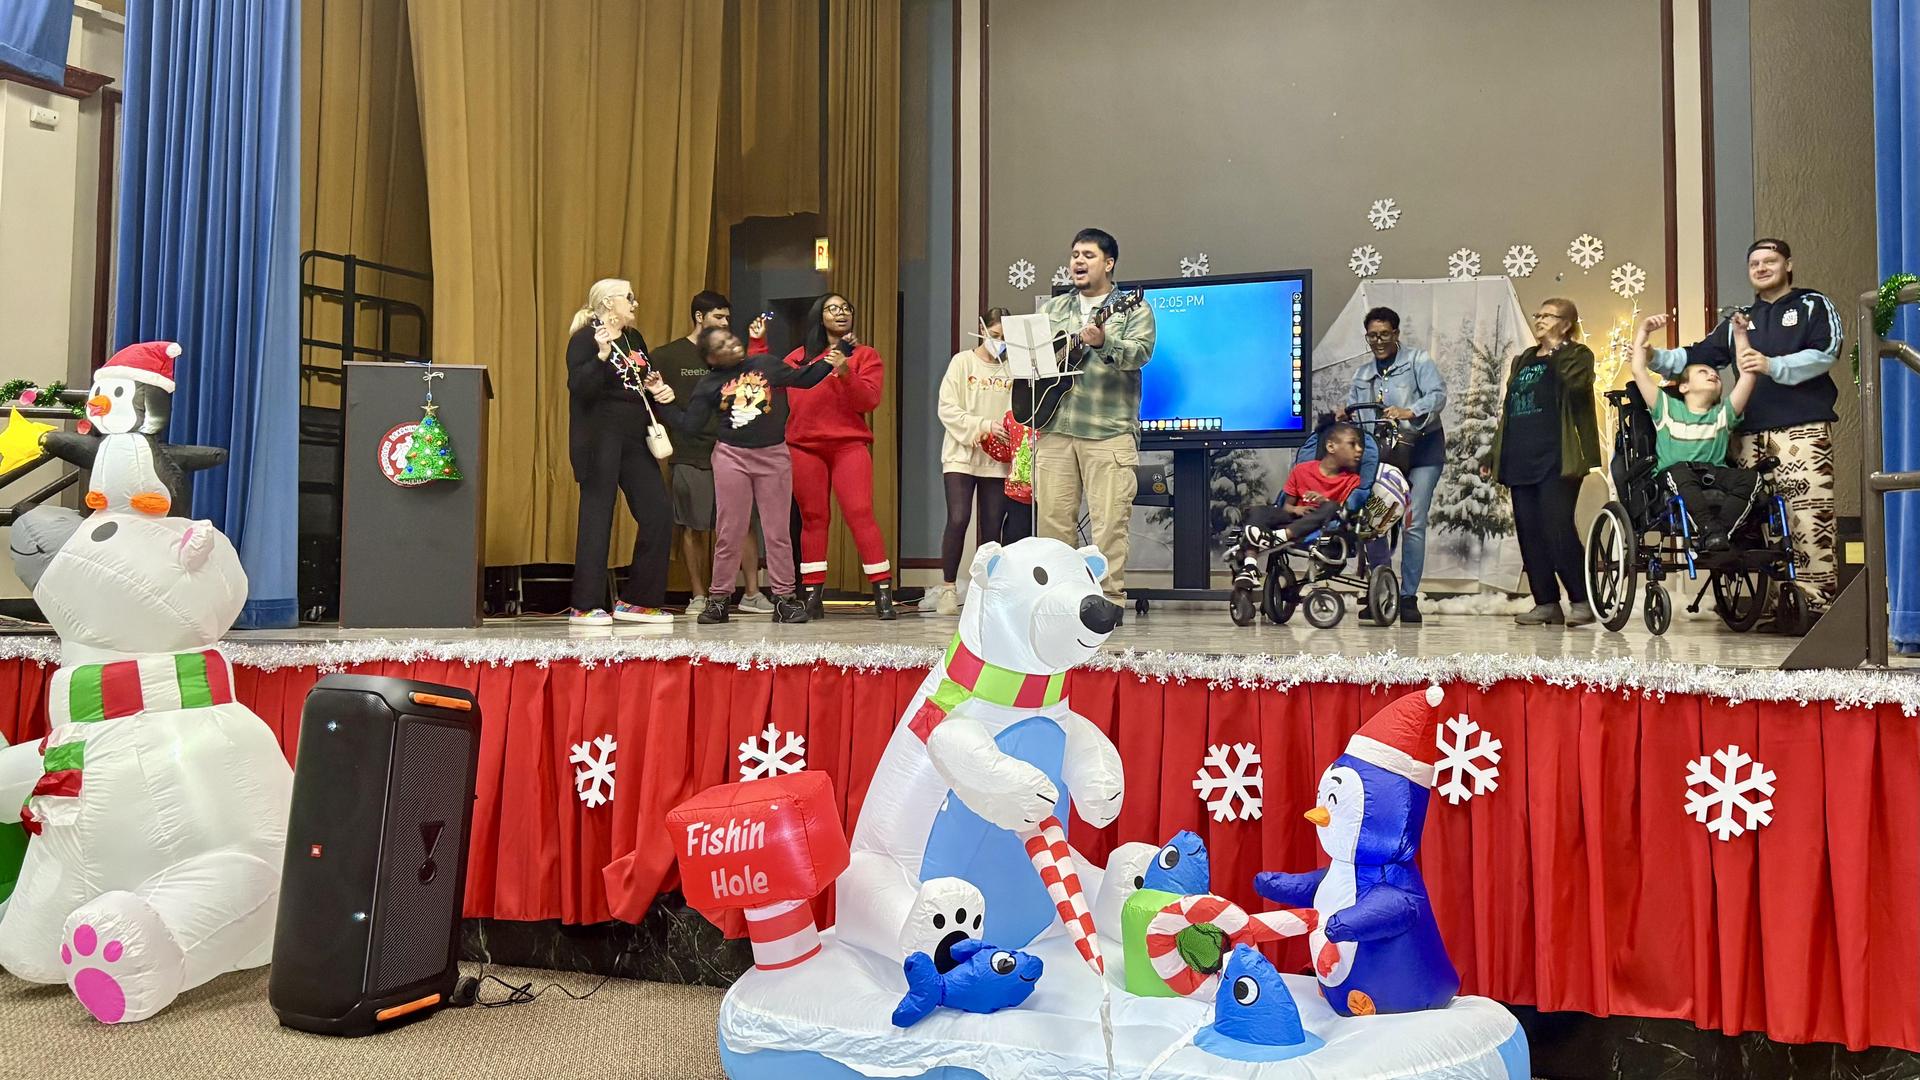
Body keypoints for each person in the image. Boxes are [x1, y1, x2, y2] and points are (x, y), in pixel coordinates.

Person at [1641, 238, 1842, 619]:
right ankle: (1765, 606)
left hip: (1803, 429)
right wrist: (1652, 356)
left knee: (1807, 519)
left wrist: (1772, 366)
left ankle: (1815, 608)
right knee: (1754, 520)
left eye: (1770, 260)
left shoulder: (1813, 304)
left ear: (1788, 264)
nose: (1762, 267)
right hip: (1748, 435)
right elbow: (1696, 355)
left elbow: (1826, 351)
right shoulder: (1739, 321)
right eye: (1755, 263)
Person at [656, 327, 838, 624]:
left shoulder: (764, 364)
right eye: (721, 345)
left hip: (773, 457)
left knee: (777, 531)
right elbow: (689, 424)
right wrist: (663, 402)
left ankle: (784, 598)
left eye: (730, 338)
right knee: (730, 531)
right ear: (710, 358)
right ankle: (718, 600)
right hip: (732, 457)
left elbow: (802, 379)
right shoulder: (710, 383)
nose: (731, 344)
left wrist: (831, 360)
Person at [1035, 228, 1157, 617]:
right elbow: (1035, 365)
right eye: (1074, 254)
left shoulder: (1133, 308)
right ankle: (1058, 604)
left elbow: (1139, 355)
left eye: (1088, 255)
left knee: (1109, 527)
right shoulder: (1052, 311)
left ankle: (1106, 605)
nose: (1078, 262)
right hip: (1055, 429)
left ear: (1109, 263)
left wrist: (1104, 343)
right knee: (1053, 525)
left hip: (1108, 431)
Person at [564, 278, 679, 626]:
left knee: (657, 511)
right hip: (600, 436)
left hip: (634, 434)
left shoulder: (635, 338)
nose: (634, 303)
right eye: (629, 298)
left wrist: (659, 389)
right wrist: (600, 355)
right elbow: (580, 388)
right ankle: (584, 605)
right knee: (598, 516)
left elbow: (640, 380)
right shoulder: (585, 338)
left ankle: (639, 601)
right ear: (608, 303)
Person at [651, 291, 771, 617]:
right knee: (695, 525)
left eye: (728, 318)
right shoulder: (667, 356)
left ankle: (751, 592)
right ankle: (699, 596)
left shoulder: (732, 356)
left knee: (743, 522)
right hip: (690, 453)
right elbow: (652, 398)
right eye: (719, 317)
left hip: (734, 450)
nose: (725, 323)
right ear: (700, 318)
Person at [783, 293, 895, 620]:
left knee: (860, 512)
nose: (841, 313)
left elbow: (868, 400)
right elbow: (787, 393)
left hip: (848, 445)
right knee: (814, 518)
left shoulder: (865, 356)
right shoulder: (798, 358)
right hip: (804, 446)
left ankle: (882, 592)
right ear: (820, 317)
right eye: (833, 309)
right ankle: (812, 595)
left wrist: (846, 369)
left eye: (846, 308)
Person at [1489, 297, 1600, 627]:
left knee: (1557, 529)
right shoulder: (1523, 359)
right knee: (1529, 532)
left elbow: (1576, 385)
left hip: (1558, 457)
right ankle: (1546, 602)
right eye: (1538, 315)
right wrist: (1495, 453)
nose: (1538, 320)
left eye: (1548, 316)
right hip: (1520, 457)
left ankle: (1581, 599)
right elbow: (1511, 409)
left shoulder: (1577, 355)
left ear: (1566, 324)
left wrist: (1557, 349)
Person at [1345, 306, 1447, 624]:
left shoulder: (1417, 361)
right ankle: (1382, 590)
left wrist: (1409, 410)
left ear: (1396, 334)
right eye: (1372, 335)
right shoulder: (1363, 375)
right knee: (1375, 521)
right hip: (1383, 455)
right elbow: (1355, 412)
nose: (1378, 341)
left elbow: (1438, 395)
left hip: (1421, 451)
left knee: (1411, 522)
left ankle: (1408, 597)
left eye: (1384, 334)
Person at [1629, 316, 1762, 550]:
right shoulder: (1667, 408)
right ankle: (1708, 529)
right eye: (1703, 371)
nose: (1713, 375)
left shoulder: (1723, 414)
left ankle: (1721, 533)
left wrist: (1740, 335)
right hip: (1675, 475)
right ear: (1684, 386)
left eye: (1716, 375)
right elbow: (1639, 370)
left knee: (1750, 478)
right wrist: (1643, 331)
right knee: (1680, 470)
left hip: (1713, 474)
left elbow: (1748, 374)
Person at [931, 307, 1030, 615]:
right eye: (995, 335)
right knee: (959, 518)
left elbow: (1023, 411)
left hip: (998, 459)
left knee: (991, 529)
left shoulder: (1014, 369)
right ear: (981, 330)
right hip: (962, 454)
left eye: (1005, 338)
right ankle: (948, 588)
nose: (999, 342)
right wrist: (985, 426)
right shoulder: (962, 363)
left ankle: (984, 591)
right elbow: (947, 409)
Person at [1228, 421, 1366, 585]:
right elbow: (1287, 506)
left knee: (1332, 506)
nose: (1359, 449)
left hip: (1324, 526)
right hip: (1294, 519)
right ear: (1331, 447)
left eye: (1359, 445)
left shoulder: (1352, 481)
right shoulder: (1302, 470)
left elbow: (1344, 511)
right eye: (1352, 444)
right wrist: (1297, 509)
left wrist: (1324, 501)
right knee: (1257, 512)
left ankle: (1280, 537)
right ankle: (1250, 567)